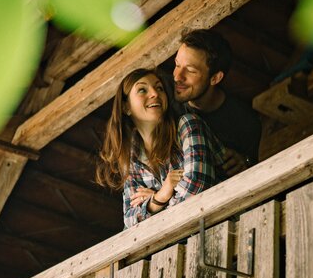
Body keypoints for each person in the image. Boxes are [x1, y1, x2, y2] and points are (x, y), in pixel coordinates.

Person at [96, 68, 226, 229]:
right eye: (143, 90)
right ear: (125, 107)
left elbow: (196, 191)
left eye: (159, 88)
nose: (155, 94)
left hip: (222, 225)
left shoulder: (188, 125)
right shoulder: (132, 157)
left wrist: (155, 204)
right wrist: (161, 195)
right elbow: (129, 221)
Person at [173, 29, 262, 176]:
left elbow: (252, 170)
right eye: (177, 65)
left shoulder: (246, 122)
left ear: (215, 78)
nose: (177, 76)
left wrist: (244, 163)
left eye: (190, 70)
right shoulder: (164, 104)